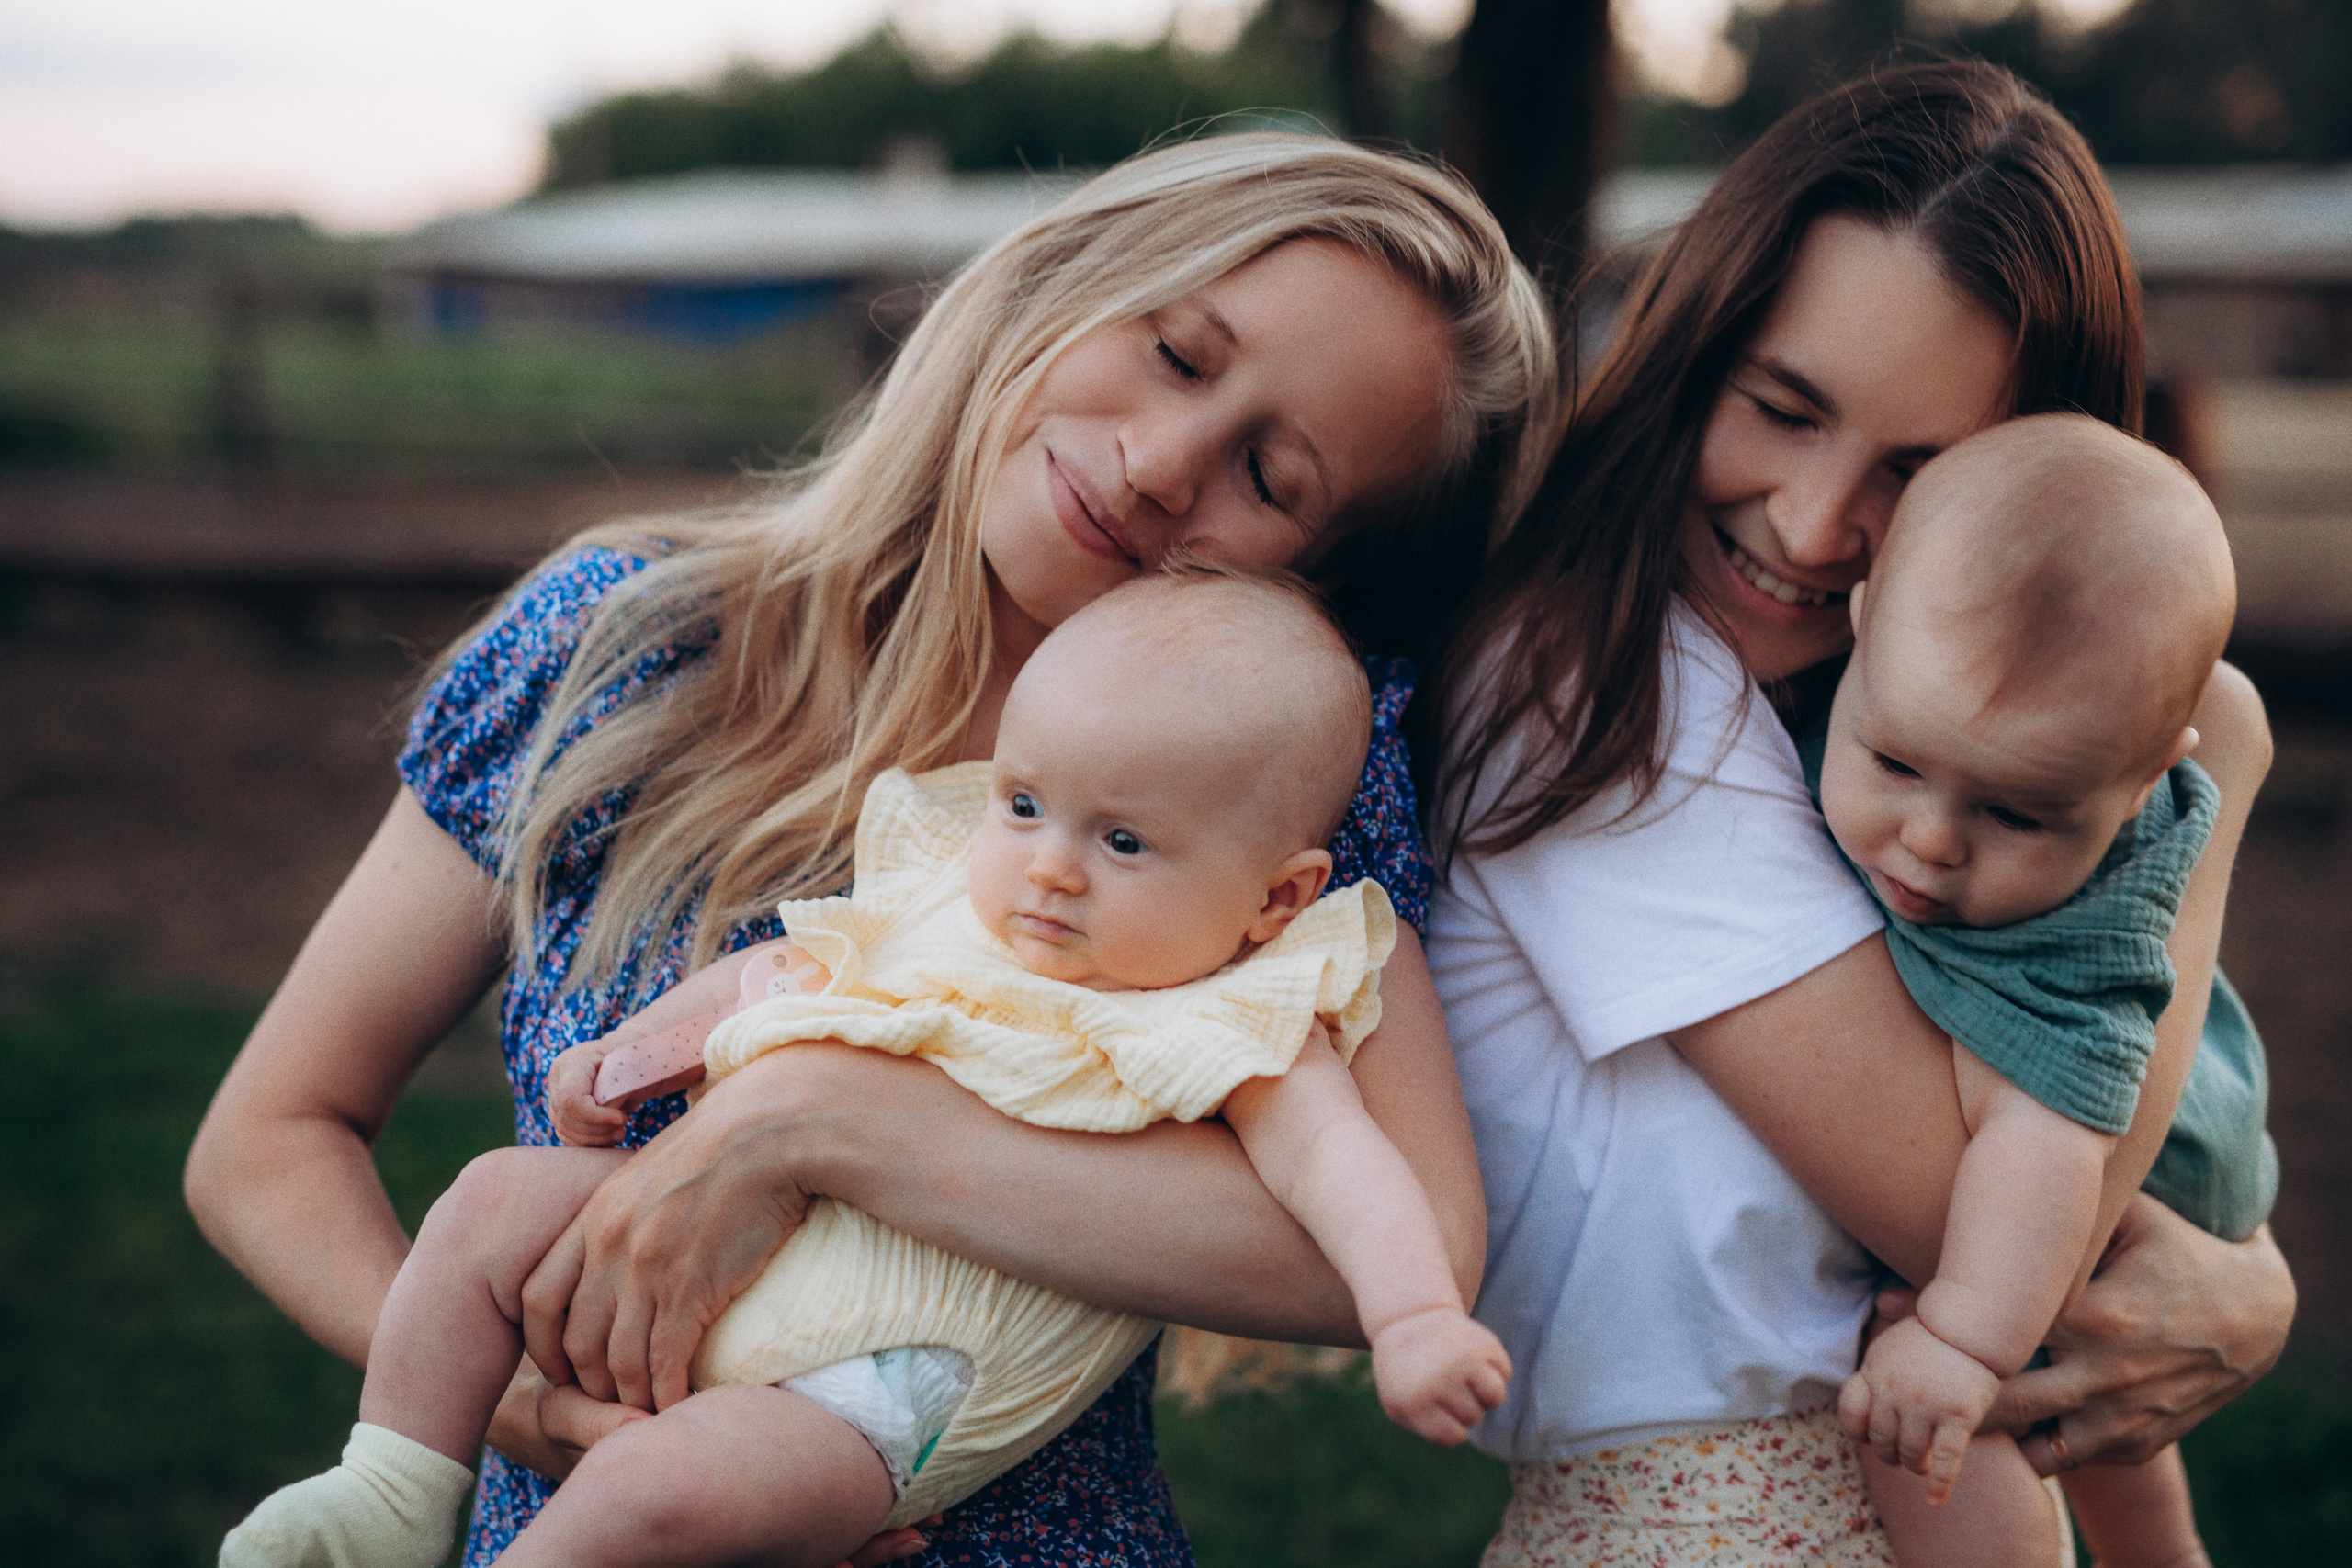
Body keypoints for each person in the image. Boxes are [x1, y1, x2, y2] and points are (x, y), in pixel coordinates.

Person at [185, 132, 1558, 1566]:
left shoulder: (1277, 787)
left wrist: (816, 1119)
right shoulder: (619, 641)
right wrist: (521, 1408)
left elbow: (1398, 1238)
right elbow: (271, 1135)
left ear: (1315, 569)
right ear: (1060, 280)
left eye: (1269, 478)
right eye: (1175, 352)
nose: (1159, 464)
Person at [1426, 62, 2293, 1567]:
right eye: (1783, 407)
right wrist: (2208, 783)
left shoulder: (1892, 734)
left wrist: (2246, 1283)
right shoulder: (1589, 695)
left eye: (1918, 468)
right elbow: (1999, 1222)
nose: (1815, 525)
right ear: (1694, 351)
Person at [220, 570, 1510, 1568]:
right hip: (722, 1257)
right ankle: (390, 1486)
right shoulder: (953, 899)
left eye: (1122, 841)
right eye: (1025, 805)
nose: (1050, 867)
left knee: (652, 1494)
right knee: (492, 1198)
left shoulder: (1238, 1019)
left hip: (873, 1385)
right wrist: (634, 1055)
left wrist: (1413, 1320)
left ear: (1274, 897)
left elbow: (1346, 1166)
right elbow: (783, 970)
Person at [1805, 416, 2273, 1567]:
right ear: (1860, 629)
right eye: (1893, 763)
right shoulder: (1928, 686)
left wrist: (1964, 1341)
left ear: (2144, 783)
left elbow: (2051, 1145)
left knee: (1929, 1411)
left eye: (2012, 814)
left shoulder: (2070, 945)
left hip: (2147, 1148)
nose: (1929, 841)